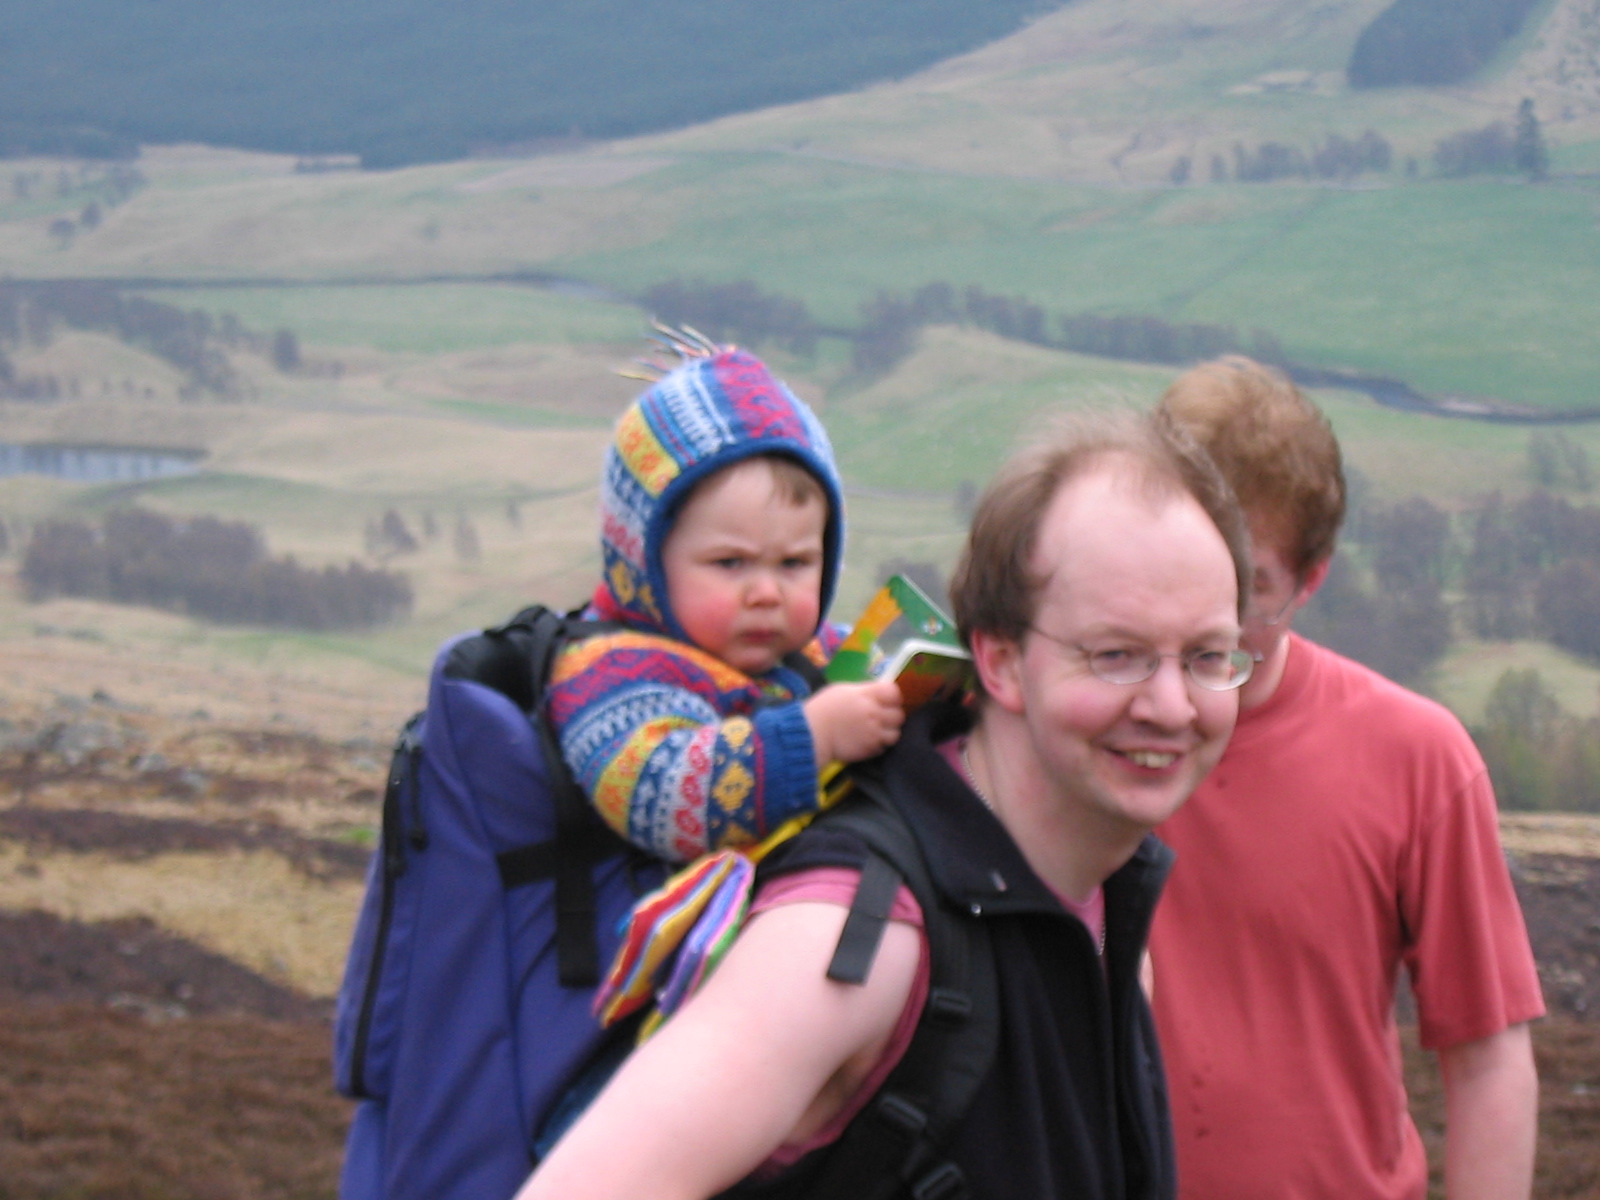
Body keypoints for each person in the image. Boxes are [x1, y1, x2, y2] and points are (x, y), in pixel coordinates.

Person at [515, 411, 1256, 1200]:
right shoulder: (847, 939)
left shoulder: (1103, 918)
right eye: (1116, 655)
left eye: (1207, 656)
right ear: (1000, 661)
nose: (1172, 706)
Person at [1149, 356, 1544, 1200]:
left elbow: (1488, 1059)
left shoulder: (1418, 758)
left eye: (1248, 586)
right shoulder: (1059, 733)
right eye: (1183, 566)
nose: (1207, 615)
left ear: (1312, 579)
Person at [547, 345, 905, 863]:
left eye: (794, 563)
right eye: (731, 563)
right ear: (646, 562)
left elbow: (874, 673)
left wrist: (919, 689)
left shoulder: (814, 649)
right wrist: (816, 736)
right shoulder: (609, 674)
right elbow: (663, 797)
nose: (767, 593)